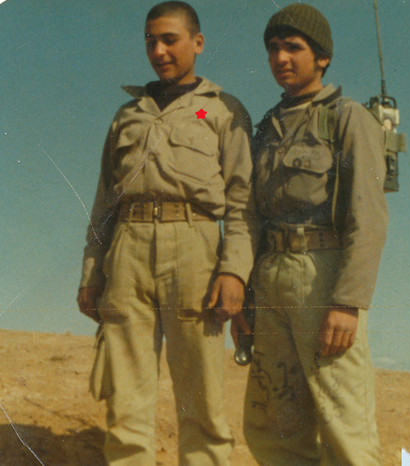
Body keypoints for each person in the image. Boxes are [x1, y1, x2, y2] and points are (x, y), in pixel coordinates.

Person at [77, 2, 257, 465]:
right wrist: (91, 272)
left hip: (195, 248)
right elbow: (104, 202)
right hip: (127, 249)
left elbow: (243, 203)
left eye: (169, 40)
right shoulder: (127, 116)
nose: (158, 51)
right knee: (125, 397)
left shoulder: (222, 110)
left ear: (198, 43)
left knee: (201, 395)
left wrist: (235, 271)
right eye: (150, 41)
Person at [232, 3, 389, 465]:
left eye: (293, 47)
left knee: (345, 426)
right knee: (273, 425)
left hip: (323, 278)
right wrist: (246, 296)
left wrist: (348, 302)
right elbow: (251, 217)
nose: (280, 58)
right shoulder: (266, 128)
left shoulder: (347, 117)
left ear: (322, 57)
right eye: (273, 48)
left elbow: (369, 216)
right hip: (270, 278)